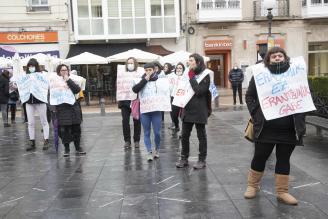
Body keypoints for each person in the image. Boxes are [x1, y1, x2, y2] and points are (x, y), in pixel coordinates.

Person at [243, 47, 306, 205]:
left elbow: (305, 94)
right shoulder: (260, 75)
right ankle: (252, 185)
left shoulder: (297, 75)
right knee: (260, 156)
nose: (277, 58)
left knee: (284, 159)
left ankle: (282, 192)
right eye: (274, 56)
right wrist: (256, 114)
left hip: (289, 128)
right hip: (266, 128)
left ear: (285, 58)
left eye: (280, 55)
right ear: (268, 60)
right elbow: (249, 96)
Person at [176, 53, 210, 169]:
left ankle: (202, 160)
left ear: (198, 62)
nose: (189, 62)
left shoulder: (205, 75)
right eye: (189, 60)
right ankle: (184, 158)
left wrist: (191, 77)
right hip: (187, 108)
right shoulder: (187, 74)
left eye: (191, 60)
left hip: (200, 109)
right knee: (184, 135)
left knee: (201, 136)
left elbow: (200, 91)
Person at [132, 62, 165, 161]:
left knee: (157, 132)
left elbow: (165, 91)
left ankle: (157, 149)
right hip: (145, 110)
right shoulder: (141, 79)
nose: (148, 72)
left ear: (154, 70)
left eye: (150, 70)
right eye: (146, 70)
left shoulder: (159, 80)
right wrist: (144, 80)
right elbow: (135, 89)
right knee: (146, 132)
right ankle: (149, 151)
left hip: (156, 110)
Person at [55, 64, 86, 157]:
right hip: (62, 109)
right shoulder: (55, 82)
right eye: (62, 70)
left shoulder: (72, 80)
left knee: (76, 128)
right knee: (65, 130)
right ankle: (67, 149)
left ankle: (77, 147)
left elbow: (77, 90)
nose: (64, 72)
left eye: (66, 70)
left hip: (73, 108)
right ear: (58, 72)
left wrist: (68, 80)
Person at [24, 58, 50, 151]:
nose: (31, 68)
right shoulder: (26, 76)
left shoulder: (42, 75)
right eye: (30, 66)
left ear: (36, 66)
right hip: (29, 102)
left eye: (33, 66)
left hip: (40, 101)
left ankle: (46, 140)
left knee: (44, 121)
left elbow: (46, 85)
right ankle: (32, 141)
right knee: (30, 122)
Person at [118, 57, 141, 149]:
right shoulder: (122, 74)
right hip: (124, 101)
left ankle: (136, 140)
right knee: (125, 121)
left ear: (135, 64)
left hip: (135, 100)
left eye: (132, 63)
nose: (130, 65)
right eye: (128, 63)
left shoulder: (139, 74)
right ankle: (127, 140)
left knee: (137, 121)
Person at [168, 62, 185, 132]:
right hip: (174, 97)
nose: (178, 69)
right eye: (177, 68)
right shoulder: (171, 77)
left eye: (180, 68)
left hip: (183, 98)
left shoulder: (185, 77)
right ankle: (177, 126)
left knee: (183, 115)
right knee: (174, 114)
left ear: (183, 69)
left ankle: (183, 131)